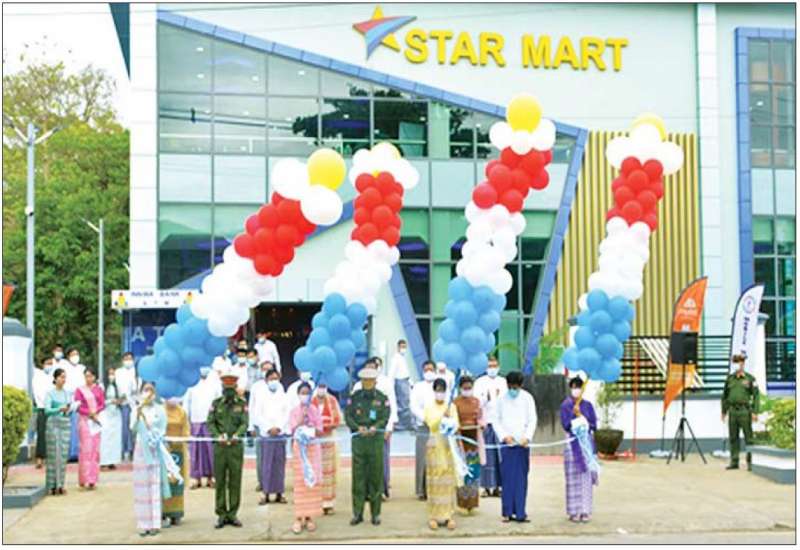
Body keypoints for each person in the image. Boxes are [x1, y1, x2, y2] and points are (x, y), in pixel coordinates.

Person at [131, 382, 181, 537]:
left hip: (155, 449)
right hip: (141, 449)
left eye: (151, 390)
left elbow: (162, 429)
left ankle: (155, 523)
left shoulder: (159, 409)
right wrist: (138, 412)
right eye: (145, 390)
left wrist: (155, 436)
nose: (148, 393)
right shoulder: (137, 409)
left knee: (154, 486)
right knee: (142, 488)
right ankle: (143, 524)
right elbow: (133, 428)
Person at [345, 364, 391, 526]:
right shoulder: (354, 398)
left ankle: (375, 514)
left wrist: (376, 427)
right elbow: (348, 416)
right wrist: (357, 427)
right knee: (358, 478)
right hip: (359, 441)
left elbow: (385, 416)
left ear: (375, 381)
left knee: (375, 477)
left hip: (375, 441)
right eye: (365, 381)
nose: (368, 383)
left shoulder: (382, 398)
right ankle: (357, 513)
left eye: (370, 381)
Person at [207, 367, 249, 528]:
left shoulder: (242, 404)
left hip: (235, 447)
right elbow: (210, 422)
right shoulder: (216, 403)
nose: (229, 391)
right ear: (223, 388)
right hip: (220, 447)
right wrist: (218, 435)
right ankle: (221, 514)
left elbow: (245, 422)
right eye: (226, 388)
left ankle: (233, 514)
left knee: (235, 481)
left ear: (235, 387)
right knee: (220, 481)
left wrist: (237, 434)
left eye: (232, 388)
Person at [353, 357, 397, 500]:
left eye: (373, 367)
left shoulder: (385, 383)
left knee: (380, 461)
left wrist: (389, 427)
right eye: (368, 367)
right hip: (362, 431)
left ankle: (380, 491)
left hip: (379, 430)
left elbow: (392, 405)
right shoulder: (357, 386)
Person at [494, 371, 536, 523]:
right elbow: (496, 420)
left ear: (521, 385)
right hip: (507, 445)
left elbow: (532, 419)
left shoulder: (527, 398)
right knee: (507, 478)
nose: (513, 390)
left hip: (522, 445)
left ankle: (520, 512)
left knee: (521, 479)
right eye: (510, 386)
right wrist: (504, 436)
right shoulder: (500, 399)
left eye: (515, 387)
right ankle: (507, 512)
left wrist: (527, 437)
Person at [560, 376, 598, 523]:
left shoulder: (588, 405)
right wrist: (573, 415)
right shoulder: (566, 405)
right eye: (574, 387)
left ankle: (585, 511)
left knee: (586, 478)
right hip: (572, 445)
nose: (576, 390)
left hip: (586, 445)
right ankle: (573, 511)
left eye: (578, 387)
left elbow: (593, 425)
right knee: (572, 479)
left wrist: (581, 416)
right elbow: (566, 425)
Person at [424, 378, 459, 531]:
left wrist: (450, 420)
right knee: (434, 481)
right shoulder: (429, 406)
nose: (440, 393)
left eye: (443, 391)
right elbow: (431, 423)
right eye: (438, 390)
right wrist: (441, 418)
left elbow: (456, 425)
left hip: (447, 446)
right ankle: (433, 516)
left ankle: (448, 515)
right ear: (434, 391)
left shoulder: (452, 406)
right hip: (434, 444)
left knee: (447, 480)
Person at [250, 367, 289, 505]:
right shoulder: (261, 395)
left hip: (280, 434)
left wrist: (279, 427)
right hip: (266, 435)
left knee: (279, 464)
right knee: (267, 464)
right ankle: (265, 493)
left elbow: (286, 413)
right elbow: (257, 414)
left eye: (276, 379)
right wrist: (268, 428)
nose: (274, 381)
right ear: (266, 380)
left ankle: (280, 493)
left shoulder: (283, 395)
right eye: (272, 379)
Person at [289, 382, 324, 534]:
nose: (305, 395)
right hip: (299, 450)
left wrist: (311, 427)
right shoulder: (294, 411)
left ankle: (309, 517)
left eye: (307, 393)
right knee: (299, 483)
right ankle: (298, 517)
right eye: (302, 393)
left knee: (311, 482)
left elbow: (320, 430)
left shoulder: (314, 410)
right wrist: (300, 421)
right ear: (298, 394)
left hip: (312, 449)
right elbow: (292, 429)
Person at [474, 356, 507, 497]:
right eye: (489, 366)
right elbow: (476, 403)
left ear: (498, 367)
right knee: (486, 456)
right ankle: (486, 487)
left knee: (500, 456)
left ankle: (499, 486)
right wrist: (485, 398)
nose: (492, 369)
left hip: (500, 423)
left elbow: (507, 402)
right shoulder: (479, 382)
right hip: (485, 423)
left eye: (494, 366)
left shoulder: (503, 382)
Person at [184, 366, 222, 489]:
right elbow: (186, 403)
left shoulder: (215, 382)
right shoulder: (191, 382)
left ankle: (212, 477)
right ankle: (196, 478)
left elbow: (219, 402)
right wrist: (186, 421)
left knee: (210, 451)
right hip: (195, 421)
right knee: (195, 451)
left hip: (211, 422)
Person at [722, 353, 760, 471]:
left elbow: (756, 396)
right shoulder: (730, 379)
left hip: (745, 411)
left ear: (743, 364)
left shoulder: (750, 379)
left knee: (749, 438)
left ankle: (750, 462)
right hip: (732, 411)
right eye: (735, 362)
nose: (736, 365)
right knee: (733, 437)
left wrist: (755, 411)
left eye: (738, 362)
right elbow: (725, 396)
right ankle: (734, 461)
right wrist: (723, 411)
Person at [454, 375, 485, 513]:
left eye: (470, 387)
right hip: (461, 442)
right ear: (460, 388)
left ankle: (472, 504)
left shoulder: (476, 401)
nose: (467, 390)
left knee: (474, 472)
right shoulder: (455, 403)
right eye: (465, 388)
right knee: (462, 473)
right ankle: (462, 504)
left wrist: (481, 424)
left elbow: (481, 418)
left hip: (474, 442)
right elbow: (453, 421)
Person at [311, 382, 342, 514]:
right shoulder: (311, 401)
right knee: (315, 471)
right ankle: (316, 503)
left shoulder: (332, 401)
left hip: (329, 440)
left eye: (323, 387)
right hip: (314, 440)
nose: (321, 389)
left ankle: (328, 504)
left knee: (329, 472)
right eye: (320, 386)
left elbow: (338, 419)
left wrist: (328, 426)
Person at [44, 368, 74, 495]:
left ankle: (61, 484)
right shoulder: (50, 394)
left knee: (63, 455)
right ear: (55, 378)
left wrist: (69, 409)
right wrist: (59, 409)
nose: (63, 379)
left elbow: (70, 408)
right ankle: (51, 485)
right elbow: (47, 410)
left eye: (64, 377)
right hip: (53, 424)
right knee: (53, 455)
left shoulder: (67, 394)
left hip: (65, 424)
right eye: (61, 377)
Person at [75, 368, 105, 490]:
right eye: (86, 376)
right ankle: (84, 479)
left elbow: (102, 404)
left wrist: (95, 412)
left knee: (95, 450)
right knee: (85, 449)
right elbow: (77, 406)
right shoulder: (80, 390)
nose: (88, 378)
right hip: (84, 421)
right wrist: (89, 413)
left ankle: (93, 479)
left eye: (90, 376)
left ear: (94, 377)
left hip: (96, 421)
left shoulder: (98, 390)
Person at [410, 360, 436, 500]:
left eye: (431, 369)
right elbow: (413, 406)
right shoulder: (418, 387)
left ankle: (435, 488)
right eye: (426, 370)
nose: (428, 372)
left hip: (438, 426)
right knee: (422, 459)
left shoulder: (440, 385)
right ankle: (421, 490)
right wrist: (425, 418)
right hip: (423, 426)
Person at [163, 397, 190, 527]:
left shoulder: (182, 412)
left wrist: (182, 439)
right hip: (164, 450)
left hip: (178, 450)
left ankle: (176, 513)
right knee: (165, 480)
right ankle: (163, 512)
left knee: (177, 481)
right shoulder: (161, 411)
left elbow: (186, 430)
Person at [247, 360, 273, 495]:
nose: (266, 371)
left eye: (269, 369)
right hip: (259, 425)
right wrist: (250, 426)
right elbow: (251, 406)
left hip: (273, 426)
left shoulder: (278, 386)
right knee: (261, 455)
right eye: (264, 369)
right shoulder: (256, 387)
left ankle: (273, 482)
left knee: (273, 455)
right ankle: (261, 481)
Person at [65, 347, 86, 461]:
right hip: (69, 400)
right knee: (70, 428)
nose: (75, 356)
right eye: (73, 354)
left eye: (77, 354)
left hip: (81, 401)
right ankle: (70, 453)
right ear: (68, 356)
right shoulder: (64, 367)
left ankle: (79, 453)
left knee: (80, 428)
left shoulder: (82, 368)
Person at [100, 367, 123, 470]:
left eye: (113, 374)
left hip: (116, 413)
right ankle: (104, 461)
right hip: (105, 413)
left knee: (115, 438)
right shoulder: (102, 386)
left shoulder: (117, 386)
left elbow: (122, 397)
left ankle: (112, 461)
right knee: (105, 438)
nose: (111, 376)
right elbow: (100, 401)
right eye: (110, 374)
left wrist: (119, 401)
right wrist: (110, 401)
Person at [116, 352, 139, 461]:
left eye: (130, 358)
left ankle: (134, 451)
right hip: (123, 403)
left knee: (134, 428)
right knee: (124, 428)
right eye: (126, 359)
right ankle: (125, 450)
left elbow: (137, 388)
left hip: (135, 404)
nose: (128, 361)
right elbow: (119, 387)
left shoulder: (137, 372)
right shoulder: (119, 372)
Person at [388, 339, 413, 431]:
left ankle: (405, 423)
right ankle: (400, 425)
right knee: (402, 405)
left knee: (406, 403)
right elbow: (391, 373)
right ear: (398, 347)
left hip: (405, 381)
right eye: (402, 347)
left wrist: (411, 383)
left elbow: (406, 372)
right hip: (400, 382)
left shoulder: (402, 358)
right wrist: (390, 385)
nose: (404, 348)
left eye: (405, 347)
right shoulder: (396, 358)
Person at [33, 357, 53, 469]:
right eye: (47, 363)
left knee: (52, 434)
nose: (49, 365)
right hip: (42, 408)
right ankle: (39, 458)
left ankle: (50, 458)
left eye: (51, 363)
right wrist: (47, 403)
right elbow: (38, 393)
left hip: (53, 409)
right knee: (41, 434)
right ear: (42, 364)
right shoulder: (38, 376)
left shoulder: (52, 376)